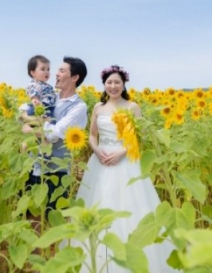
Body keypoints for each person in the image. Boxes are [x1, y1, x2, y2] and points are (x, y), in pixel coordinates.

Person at [74, 64, 175, 272]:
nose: (113, 86)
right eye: (109, 82)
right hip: (100, 161)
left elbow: (138, 137)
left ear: (123, 84)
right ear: (104, 85)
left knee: (131, 205)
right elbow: (92, 135)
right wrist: (97, 150)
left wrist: (121, 152)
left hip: (126, 160)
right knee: (98, 205)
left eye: (117, 82)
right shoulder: (98, 108)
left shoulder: (132, 107)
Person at [22, 56, 88, 213]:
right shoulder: (50, 95)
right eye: (57, 70)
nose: (55, 74)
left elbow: (54, 134)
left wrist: (31, 129)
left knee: (52, 219)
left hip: (55, 170)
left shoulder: (78, 107)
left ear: (75, 77)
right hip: (33, 164)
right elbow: (23, 111)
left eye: (62, 70)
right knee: (31, 216)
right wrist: (26, 118)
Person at [19, 54, 57, 124]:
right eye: (43, 69)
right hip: (41, 107)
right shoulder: (35, 84)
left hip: (49, 108)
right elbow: (34, 94)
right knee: (52, 122)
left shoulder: (46, 85)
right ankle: (25, 119)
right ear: (33, 72)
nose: (47, 72)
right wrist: (35, 100)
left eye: (48, 69)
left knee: (51, 120)